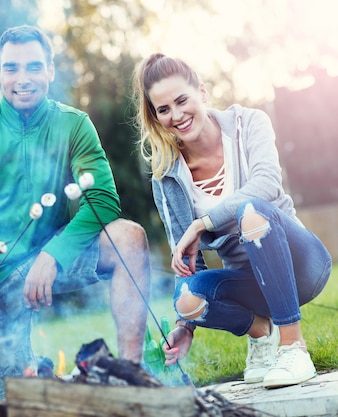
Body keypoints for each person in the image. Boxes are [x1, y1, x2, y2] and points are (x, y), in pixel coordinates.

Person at [0, 25, 151, 401]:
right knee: (14, 400)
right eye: (12, 68)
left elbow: (101, 200)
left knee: (128, 237)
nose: (23, 79)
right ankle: (42, 368)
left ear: (50, 70)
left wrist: (54, 254)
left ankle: (132, 375)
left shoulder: (73, 124)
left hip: (59, 256)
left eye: (34, 67)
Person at [133, 53, 332, 388]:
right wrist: (187, 325)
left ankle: (293, 346)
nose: (177, 115)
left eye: (182, 100)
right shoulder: (166, 175)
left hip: (302, 267)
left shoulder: (248, 123)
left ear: (203, 92)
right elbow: (187, 261)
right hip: (250, 286)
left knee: (251, 211)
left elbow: (267, 182)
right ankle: (261, 333)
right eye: (163, 110)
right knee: (185, 297)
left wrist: (202, 223)